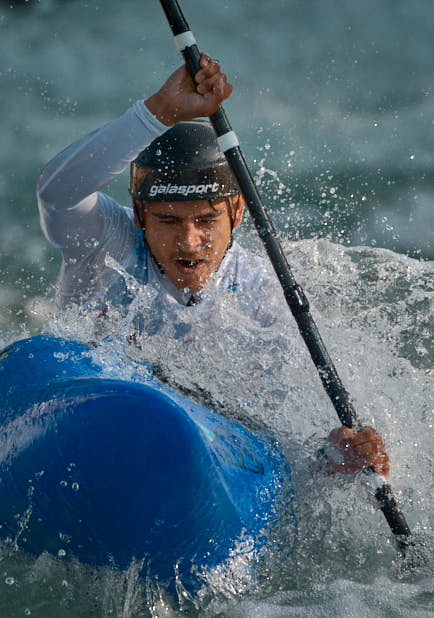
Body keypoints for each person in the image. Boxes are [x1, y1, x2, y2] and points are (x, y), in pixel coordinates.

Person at [36, 53, 388, 478]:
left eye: (205, 220)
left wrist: (334, 457)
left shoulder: (263, 296)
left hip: (186, 463)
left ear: (237, 212)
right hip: (80, 436)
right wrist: (160, 111)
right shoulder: (107, 245)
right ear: (139, 212)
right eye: (167, 220)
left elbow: (287, 448)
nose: (189, 241)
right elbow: (58, 194)